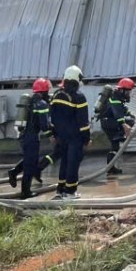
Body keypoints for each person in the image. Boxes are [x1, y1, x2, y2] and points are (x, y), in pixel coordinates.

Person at [50, 65, 91, 199]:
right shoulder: (79, 97)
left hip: (61, 136)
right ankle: (70, 191)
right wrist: (86, 138)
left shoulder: (57, 94)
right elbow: (83, 122)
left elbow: (52, 117)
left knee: (64, 162)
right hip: (75, 137)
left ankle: (60, 189)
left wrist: (55, 134)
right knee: (73, 163)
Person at [7, 78, 52, 199]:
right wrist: (51, 134)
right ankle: (25, 192)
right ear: (45, 91)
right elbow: (44, 126)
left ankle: (14, 172)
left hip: (24, 135)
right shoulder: (42, 104)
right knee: (30, 165)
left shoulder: (31, 101)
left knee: (30, 160)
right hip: (31, 138)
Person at [100, 78, 136, 175]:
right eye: (128, 91)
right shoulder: (115, 99)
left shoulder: (117, 98)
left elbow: (122, 109)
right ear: (122, 90)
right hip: (109, 123)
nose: (129, 94)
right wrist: (125, 126)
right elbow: (118, 114)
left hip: (107, 122)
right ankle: (119, 135)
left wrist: (129, 113)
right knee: (129, 121)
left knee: (115, 146)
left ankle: (111, 168)